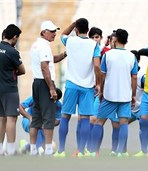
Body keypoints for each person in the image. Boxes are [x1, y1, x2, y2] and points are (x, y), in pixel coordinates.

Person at [55, 18, 101, 157]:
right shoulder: (94, 45)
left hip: (71, 84)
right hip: (87, 86)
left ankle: (61, 151)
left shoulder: (70, 41)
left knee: (65, 116)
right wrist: (98, 83)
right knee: (85, 118)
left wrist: (73, 24)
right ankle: (81, 150)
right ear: (88, 30)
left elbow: (63, 34)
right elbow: (97, 66)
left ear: (76, 29)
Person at [89, 28, 138, 157]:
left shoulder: (108, 55)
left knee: (99, 122)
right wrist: (133, 95)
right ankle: (121, 152)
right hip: (125, 96)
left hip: (109, 95)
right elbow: (134, 78)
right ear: (126, 41)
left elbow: (103, 75)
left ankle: (94, 151)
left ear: (115, 39)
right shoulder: (132, 57)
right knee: (123, 123)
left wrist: (101, 92)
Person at [30, 20, 66, 156]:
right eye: (51, 31)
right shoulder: (44, 46)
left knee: (36, 117)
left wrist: (63, 55)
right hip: (45, 83)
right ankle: (49, 150)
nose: (54, 34)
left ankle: (33, 149)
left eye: (54, 31)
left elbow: (51, 60)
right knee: (49, 117)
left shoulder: (35, 45)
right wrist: (51, 88)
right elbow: (45, 67)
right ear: (44, 32)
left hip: (36, 83)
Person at [0, 24, 25, 156]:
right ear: (15, 37)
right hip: (10, 89)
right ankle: (11, 149)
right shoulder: (12, 52)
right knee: (12, 118)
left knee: (0, 118)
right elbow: (22, 70)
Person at [18, 88, 63, 154]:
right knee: (36, 125)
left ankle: (26, 146)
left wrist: (47, 124)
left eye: (55, 100)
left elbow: (57, 121)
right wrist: (30, 117)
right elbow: (20, 107)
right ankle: (39, 149)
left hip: (43, 124)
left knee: (42, 141)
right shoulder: (36, 98)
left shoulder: (58, 105)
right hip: (28, 120)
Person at [130, 50, 148, 156]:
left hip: (140, 107)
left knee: (143, 125)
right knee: (118, 123)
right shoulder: (125, 73)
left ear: (138, 60)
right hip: (130, 108)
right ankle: (121, 151)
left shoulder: (141, 76)